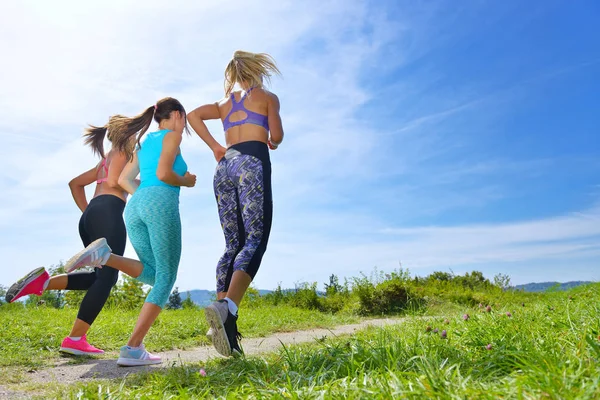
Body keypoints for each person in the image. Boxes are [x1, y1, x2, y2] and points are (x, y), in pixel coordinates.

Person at [61, 97, 197, 366]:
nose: (184, 126)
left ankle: (105, 256)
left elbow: (123, 180)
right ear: (178, 115)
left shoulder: (145, 144)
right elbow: (165, 173)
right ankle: (133, 347)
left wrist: (146, 198)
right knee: (166, 278)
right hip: (159, 202)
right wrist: (186, 181)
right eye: (184, 120)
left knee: (152, 272)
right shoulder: (171, 137)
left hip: (136, 207)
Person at [187, 50, 284, 356]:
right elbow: (277, 135)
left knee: (233, 244)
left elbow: (193, 115)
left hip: (225, 166)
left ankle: (225, 327)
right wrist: (273, 140)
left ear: (233, 74)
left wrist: (216, 146)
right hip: (252, 162)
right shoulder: (268, 97)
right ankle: (228, 307)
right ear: (257, 70)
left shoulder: (224, 103)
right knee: (255, 239)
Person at [5, 119, 130, 355]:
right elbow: (116, 183)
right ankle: (75, 339)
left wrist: (90, 213)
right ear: (128, 134)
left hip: (91, 215)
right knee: (107, 277)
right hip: (108, 212)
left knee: (100, 276)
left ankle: (42, 282)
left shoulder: (105, 160)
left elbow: (75, 184)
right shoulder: (123, 153)